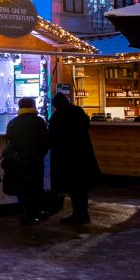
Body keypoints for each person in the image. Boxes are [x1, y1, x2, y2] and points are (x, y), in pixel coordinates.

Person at [48, 90, 101, 226]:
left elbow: (52, 137)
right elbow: (86, 125)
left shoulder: (58, 116)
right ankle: (83, 213)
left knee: (74, 188)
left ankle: (78, 215)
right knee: (82, 188)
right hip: (84, 155)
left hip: (68, 158)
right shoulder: (78, 111)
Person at [2, 96, 49, 226]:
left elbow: (8, 139)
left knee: (21, 187)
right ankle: (33, 213)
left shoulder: (13, 122)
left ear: (20, 107)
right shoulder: (39, 121)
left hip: (17, 160)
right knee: (35, 186)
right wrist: (39, 154)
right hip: (34, 159)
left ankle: (25, 212)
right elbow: (44, 141)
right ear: (33, 106)